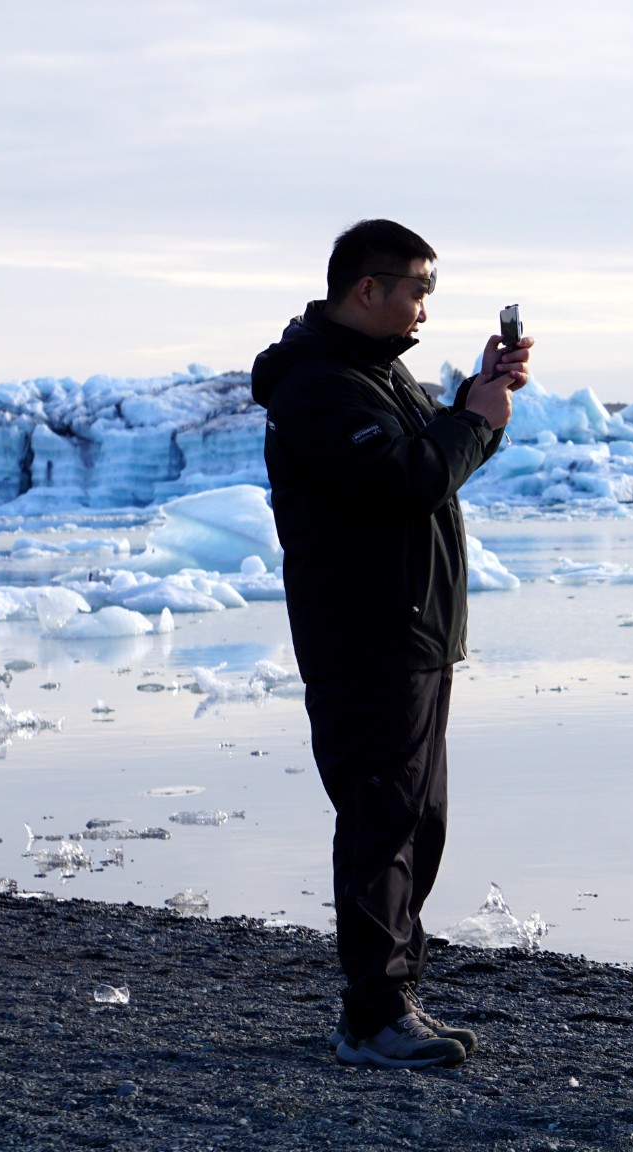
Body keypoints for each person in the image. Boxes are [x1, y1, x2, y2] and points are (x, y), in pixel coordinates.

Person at [250, 219, 530, 1069]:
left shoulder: (373, 374)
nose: (422, 309)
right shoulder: (318, 389)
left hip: (413, 636)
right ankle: (372, 1015)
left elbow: (423, 461)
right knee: (382, 822)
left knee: (416, 820)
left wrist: (479, 406)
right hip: (366, 638)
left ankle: (389, 998)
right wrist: (473, 422)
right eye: (416, 290)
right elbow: (399, 482)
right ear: (365, 289)